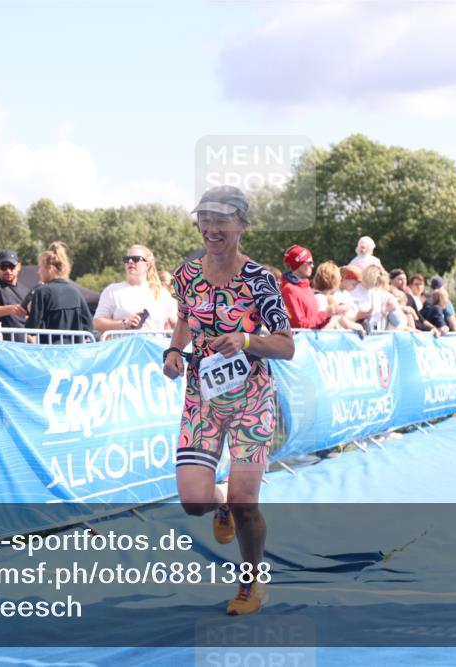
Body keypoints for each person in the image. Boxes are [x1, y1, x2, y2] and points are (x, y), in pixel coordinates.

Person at [163, 185, 294, 616]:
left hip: (251, 399)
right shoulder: (186, 274)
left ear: (240, 224)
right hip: (202, 397)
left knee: (246, 502)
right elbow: (185, 317)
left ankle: (251, 584)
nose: (211, 228)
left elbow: (286, 345)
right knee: (195, 501)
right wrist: (174, 351)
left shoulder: (260, 280)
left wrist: (246, 339)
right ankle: (218, 501)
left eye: (221, 220)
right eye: (205, 219)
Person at [93, 244, 177, 335]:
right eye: (126, 259)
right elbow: (97, 323)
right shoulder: (112, 291)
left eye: (136, 259)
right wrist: (124, 324)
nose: (130, 261)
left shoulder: (162, 293)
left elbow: (175, 323)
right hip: (124, 348)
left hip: (153, 348)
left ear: (147, 265)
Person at [25, 243, 94, 342]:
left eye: (40, 267)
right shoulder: (75, 292)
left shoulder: (41, 292)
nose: (38, 272)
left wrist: (30, 311)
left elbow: (32, 329)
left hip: (50, 353)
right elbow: (89, 325)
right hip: (73, 353)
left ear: (49, 268)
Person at [280, 245, 342, 328]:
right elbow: (299, 325)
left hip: (309, 339)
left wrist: (330, 315)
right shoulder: (289, 289)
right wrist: (325, 314)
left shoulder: (307, 288)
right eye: (309, 263)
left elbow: (315, 323)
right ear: (298, 264)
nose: (312, 266)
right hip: (299, 340)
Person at [312, 261, 365, 336]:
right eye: (339, 280)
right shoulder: (320, 299)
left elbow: (346, 324)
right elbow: (322, 330)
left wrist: (359, 327)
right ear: (334, 281)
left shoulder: (323, 297)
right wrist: (337, 316)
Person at [0, 249, 29, 341]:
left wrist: (32, 339)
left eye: (11, 266)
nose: (8, 270)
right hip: (5, 348)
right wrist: (10, 309)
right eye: (3, 267)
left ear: (19, 266)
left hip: (26, 347)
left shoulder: (25, 290)